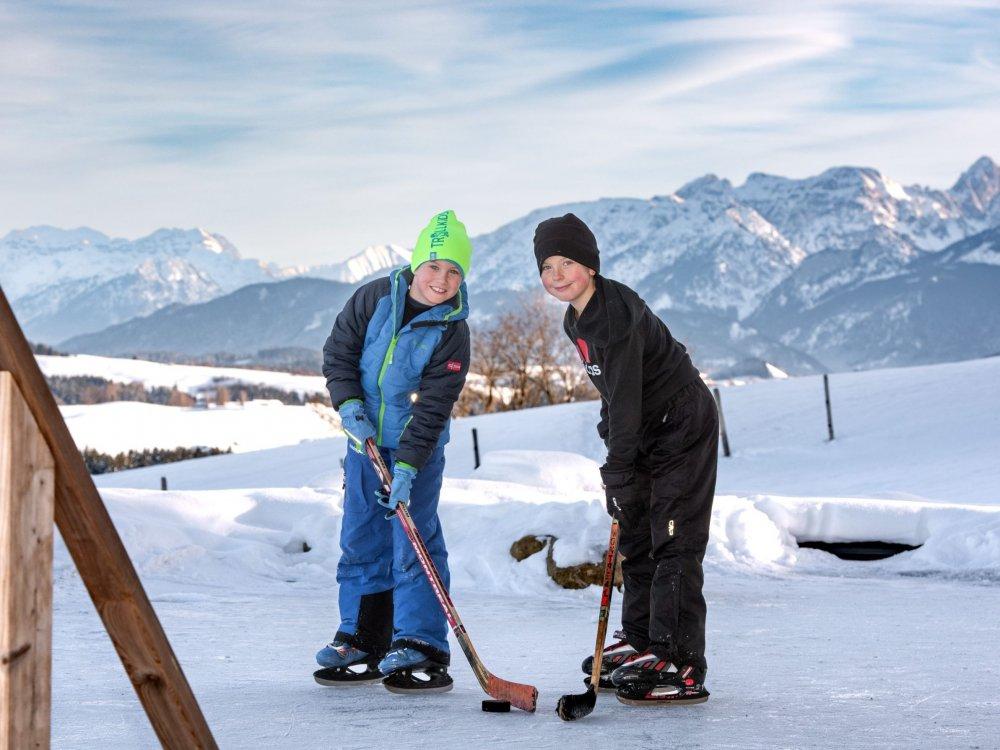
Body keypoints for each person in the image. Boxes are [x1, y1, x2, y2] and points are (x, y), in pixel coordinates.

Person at [534, 213, 718, 706]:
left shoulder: (614, 315)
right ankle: (641, 639)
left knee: (674, 538)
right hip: (644, 428)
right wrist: (615, 447)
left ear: (590, 264)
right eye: (547, 266)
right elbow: (614, 393)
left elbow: (630, 399)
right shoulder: (577, 318)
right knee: (636, 532)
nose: (557, 275)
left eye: (567, 262)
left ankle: (679, 661)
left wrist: (617, 468)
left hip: (680, 422)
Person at [313, 210, 472, 694]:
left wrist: (407, 467)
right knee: (361, 537)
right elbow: (339, 354)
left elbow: (435, 407)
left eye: (454, 271)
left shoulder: (452, 329)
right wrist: (348, 405)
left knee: (413, 540)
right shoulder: (374, 298)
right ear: (416, 263)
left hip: (415, 450)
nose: (441, 280)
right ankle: (363, 638)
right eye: (434, 266)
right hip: (363, 443)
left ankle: (421, 643)